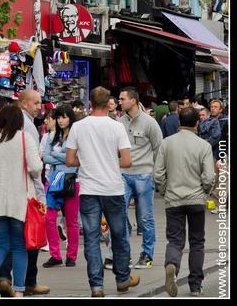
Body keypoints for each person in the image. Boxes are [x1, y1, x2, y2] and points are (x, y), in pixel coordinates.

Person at [65, 86, 140, 297]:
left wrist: (87, 160)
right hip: (113, 189)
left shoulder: (78, 127)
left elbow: (70, 160)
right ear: (109, 104)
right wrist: (108, 160)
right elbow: (127, 161)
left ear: (90, 103)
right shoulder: (117, 127)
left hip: (88, 189)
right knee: (119, 235)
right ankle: (123, 278)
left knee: (90, 238)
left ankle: (96, 286)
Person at [0, 104, 43, 297]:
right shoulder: (25, 138)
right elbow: (35, 169)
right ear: (19, 121)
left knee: (0, 246)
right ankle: (20, 291)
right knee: (19, 247)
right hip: (19, 203)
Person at [153, 107, 215, 297]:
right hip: (196, 199)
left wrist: (165, 191)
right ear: (197, 123)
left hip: (174, 199)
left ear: (179, 122)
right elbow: (209, 177)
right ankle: (195, 285)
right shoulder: (203, 146)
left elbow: (158, 174)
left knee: (175, 240)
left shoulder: (166, 143)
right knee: (197, 242)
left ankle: (172, 264)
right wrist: (204, 193)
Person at [0, 90, 50, 297]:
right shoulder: (26, 128)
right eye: (35, 103)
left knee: (6, 240)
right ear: (23, 103)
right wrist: (40, 196)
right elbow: (35, 168)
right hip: (24, 192)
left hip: (2, 192)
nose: (39, 107)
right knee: (29, 239)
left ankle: (3, 277)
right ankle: (26, 281)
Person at [119, 88, 163, 269]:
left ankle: (147, 254)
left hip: (144, 175)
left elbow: (159, 148)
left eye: (122, 99)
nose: (119, 101)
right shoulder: (119, 122)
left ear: (134, 101)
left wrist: (154, 173)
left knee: (146, 217)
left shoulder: (149, 122)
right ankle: (123, 254)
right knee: (119, 215)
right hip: (123, 174)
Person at [42, 104, 79, 268]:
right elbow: (45, 158)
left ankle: (72, 255)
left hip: (72, 180)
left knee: (71, 221)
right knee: (49, 219)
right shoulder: (50, 136)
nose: (61, 120)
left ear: (70, 117)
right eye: (58, 117)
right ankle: (55, 254)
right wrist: (64, 157)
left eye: (64, 117)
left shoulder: (77, 135)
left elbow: (76, 158)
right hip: (54, 180)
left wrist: (55, 155)